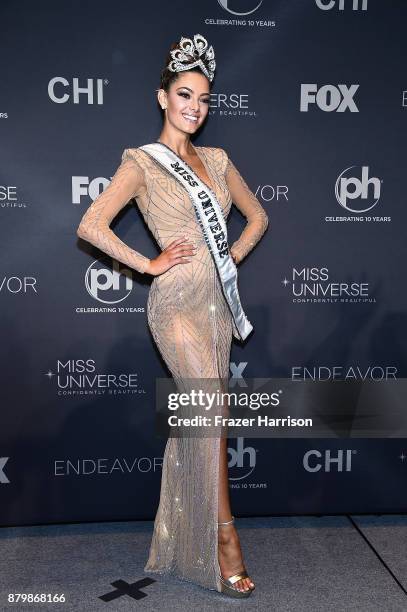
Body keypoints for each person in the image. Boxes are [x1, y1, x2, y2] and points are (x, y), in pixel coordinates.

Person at [76, 33, 269, 598]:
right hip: (175, 307)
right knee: (210, 418)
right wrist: (150, 263)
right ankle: (225, 538)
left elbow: (257, 218)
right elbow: (91, 225)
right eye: (185, 94)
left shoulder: (217, 160)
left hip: (215, 308)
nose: (195, 107)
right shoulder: (141, 163)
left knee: (208, 422)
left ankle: (182, 536)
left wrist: (225, 258)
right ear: (162, 97)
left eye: (205, 99)